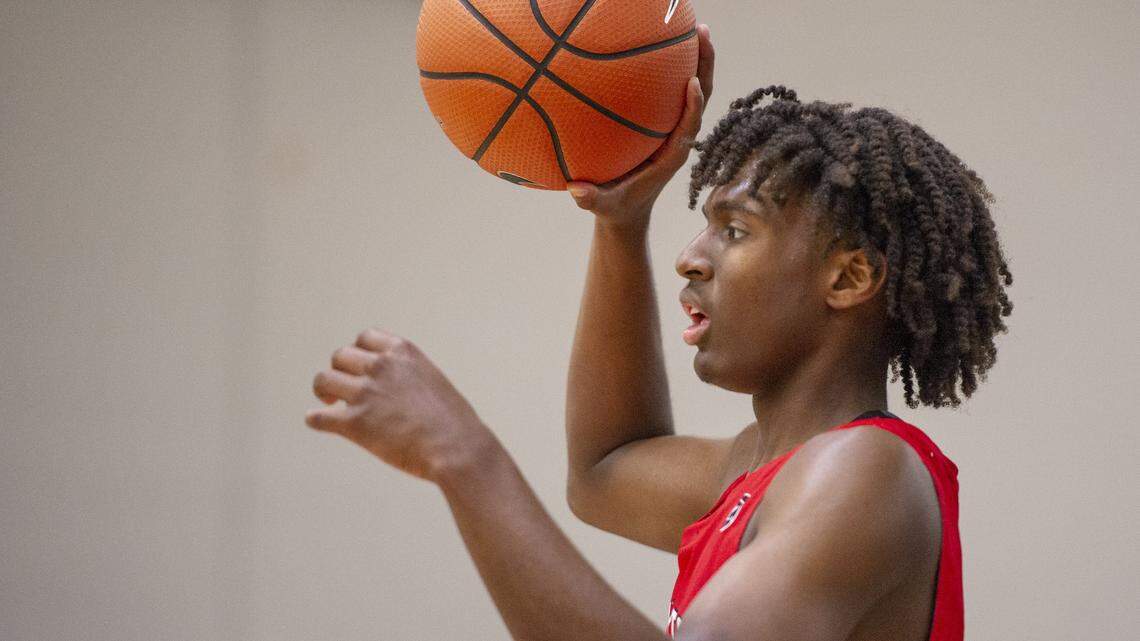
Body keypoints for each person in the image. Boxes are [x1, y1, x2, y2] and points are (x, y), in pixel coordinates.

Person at [306, 22, 1012, 641]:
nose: (692, 255)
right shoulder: (756, 467)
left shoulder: (863, 470)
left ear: (849, 278)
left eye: (735, 230)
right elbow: (605, 470)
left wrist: (460, 452)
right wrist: (621, 222)